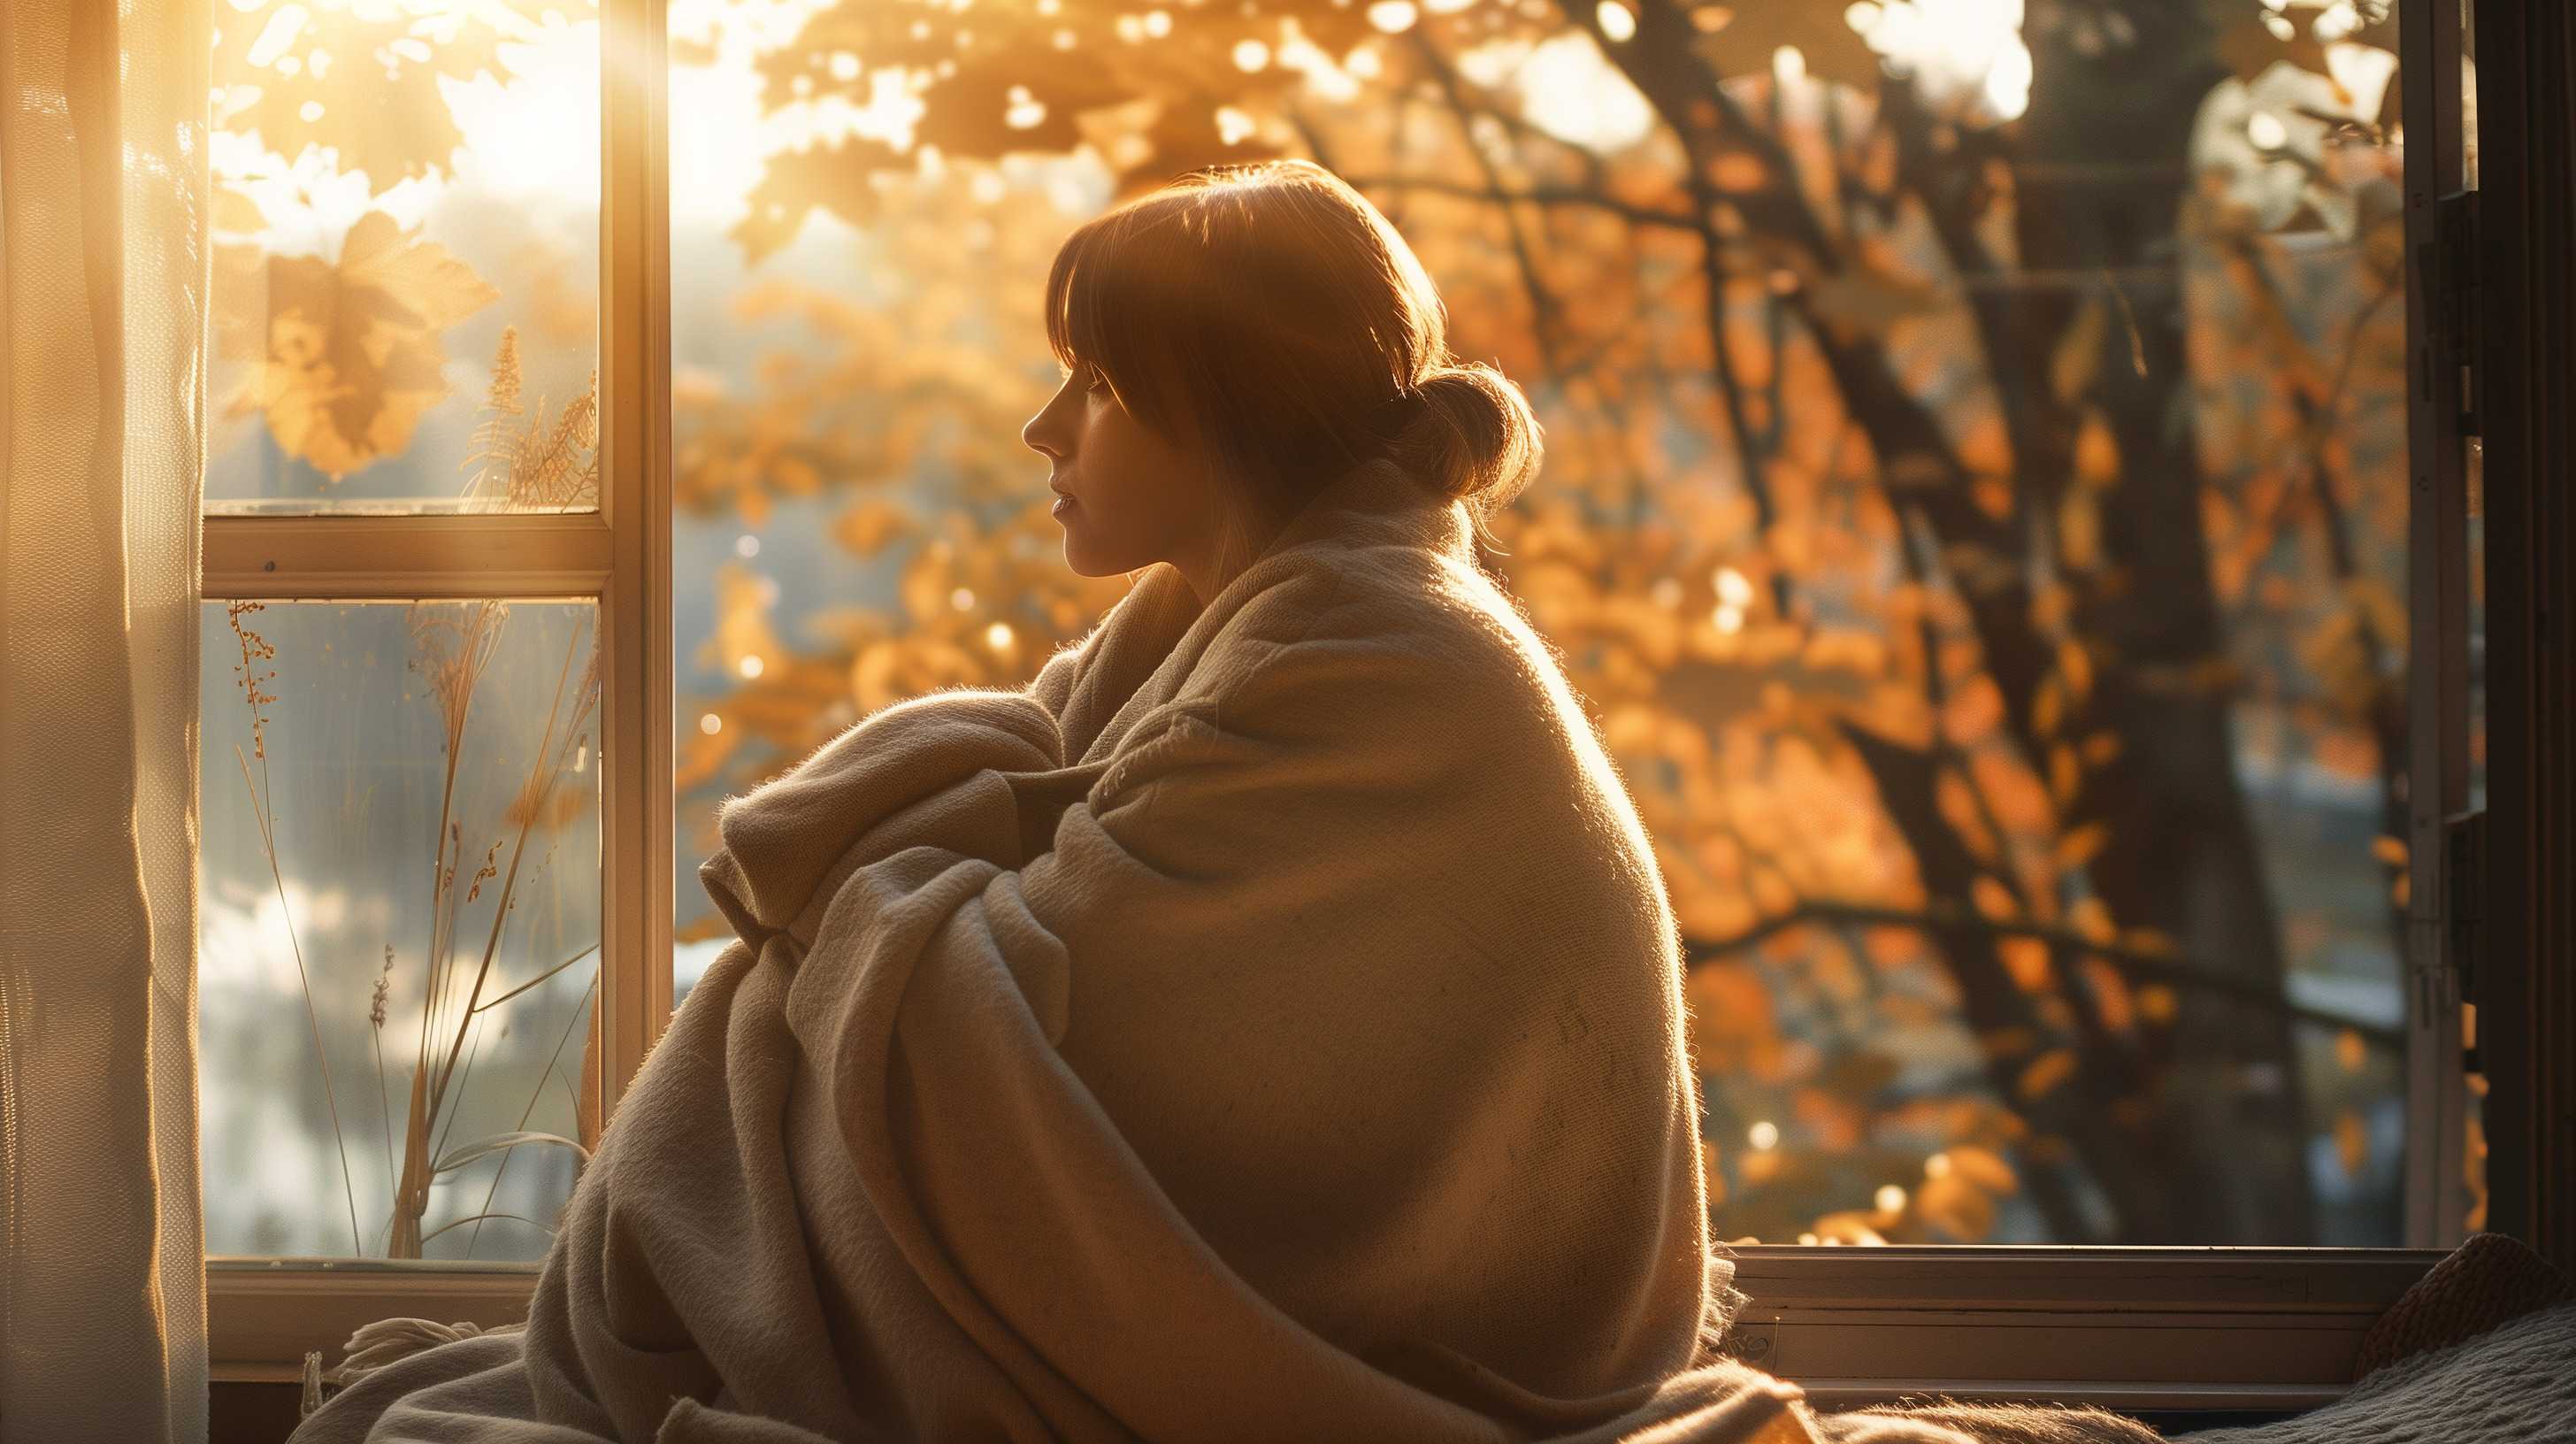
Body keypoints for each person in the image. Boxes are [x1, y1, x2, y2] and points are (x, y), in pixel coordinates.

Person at [299, 159, 1975, 1444]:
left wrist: (860, 878)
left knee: (816, 982)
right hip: (1347, 1267)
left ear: (1222, 400)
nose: (1045, 427)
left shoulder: (1373, 659)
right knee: (811, 966)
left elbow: (1038, 1041)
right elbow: (1021, 843)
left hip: (1421, 1322)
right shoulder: (1234, 616)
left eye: (1090, 384)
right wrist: (884, 864)